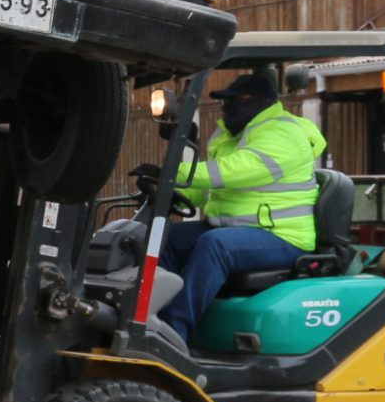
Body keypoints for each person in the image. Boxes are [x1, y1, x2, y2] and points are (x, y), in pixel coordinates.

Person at [137, 69, 326, 343]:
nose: (225, 108)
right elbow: (207, 189)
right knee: (166, 237)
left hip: (282, 236)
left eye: (233, 101)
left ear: (255, 102)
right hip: (239, 229)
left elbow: (233, 171)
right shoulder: (230, 137)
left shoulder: (284, 133)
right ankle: (151, 317)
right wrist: (170, 189)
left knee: (216, 245)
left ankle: (175, 332)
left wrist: (173, 173)